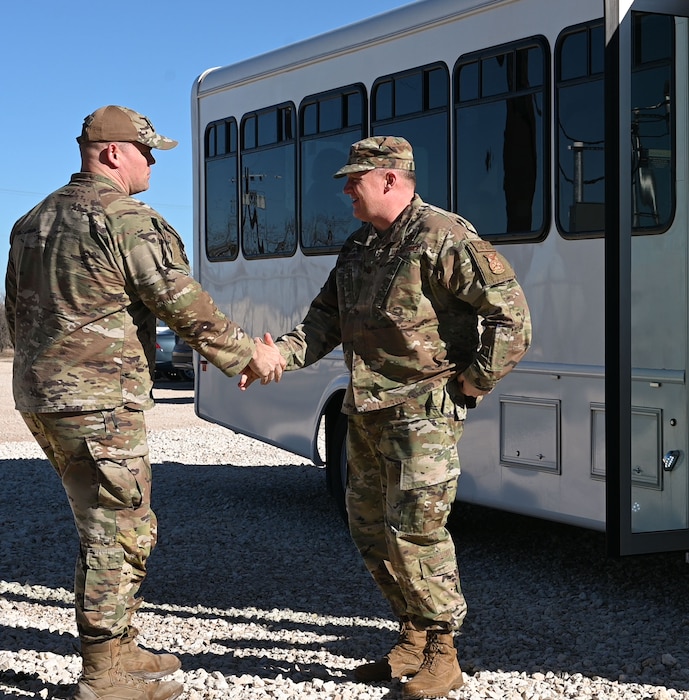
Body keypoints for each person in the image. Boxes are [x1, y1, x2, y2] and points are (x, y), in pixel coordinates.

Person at [4, 105, 286, 700]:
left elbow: (18, 311)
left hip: (41, 394)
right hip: (99, 398)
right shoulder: (125, 217)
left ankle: (119, 644)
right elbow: (180, 301)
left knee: (101, 522)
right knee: (119, 530)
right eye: (146, 151)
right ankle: (104, 675)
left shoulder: (32, 220)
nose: (154, 163)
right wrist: (247, 356)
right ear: (110, 153)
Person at [242, 136, 531, 699]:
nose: (347, 189)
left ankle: (444, 653)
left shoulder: (442, 237)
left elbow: (511, 316)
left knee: (418, 534)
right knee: (371, 530)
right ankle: (412, 635)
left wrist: (473, 381)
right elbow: (324, 321)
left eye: (356, 180)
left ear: (391, 180)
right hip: (366, 413)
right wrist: (277, 357)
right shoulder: (359, 247)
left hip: (422, 413)